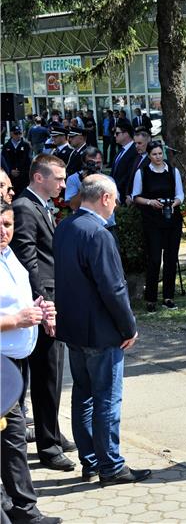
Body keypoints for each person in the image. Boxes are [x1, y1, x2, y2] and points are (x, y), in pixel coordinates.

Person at [54, 174, 151, 487]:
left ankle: (90, 460)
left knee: (83, 396)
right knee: (106, 399)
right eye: (116, 199)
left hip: (74, 330)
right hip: (102, 332)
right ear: (105, 198)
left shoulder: (66, 226)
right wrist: (129, 327)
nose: (117, 205)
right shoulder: (98, 233)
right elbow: (114, 288)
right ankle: (110, 466)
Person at [10, 154, 75, 472]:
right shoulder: (24, 207)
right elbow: (29, 260)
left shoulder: (39, 204)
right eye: (59, 178)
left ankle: (52, 431)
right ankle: (48, 447)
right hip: (42, 302)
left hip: (50, 297)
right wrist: (45, 304)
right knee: (46, 373)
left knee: (53, 373)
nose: (63, 184)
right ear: (39, 178)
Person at [1, 201, 63, 524]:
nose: (3, 232)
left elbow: (21, 300)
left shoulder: (9, 257)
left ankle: (17, 506)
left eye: (8, 225)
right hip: (1, 366)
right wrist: (18, 319)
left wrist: (39, 308)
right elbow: (9, 315)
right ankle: (24, 510)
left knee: (11, 440)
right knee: (12, 438)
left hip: (16, 363)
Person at [131, 141, 184, 313]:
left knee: (171, 258)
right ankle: (151, 298)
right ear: (148, 156)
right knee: (154, 259)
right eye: (154, 154)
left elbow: (180, 195)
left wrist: (174, 203)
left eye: (160, 153)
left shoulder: (172, 171)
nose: (158, 157)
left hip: (172, 219)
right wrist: (150, 202)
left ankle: (168, 297)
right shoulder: (143, 172)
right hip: (152, 220)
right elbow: (136, 196)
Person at [109, 121, 138, 202]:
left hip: (125, 196)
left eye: (117, 133)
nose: (115, 135)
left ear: (126, 134)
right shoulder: (121, 150)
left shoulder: (135, 151)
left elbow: (129, 175)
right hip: (115, 194)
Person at [2, 125, 33, 195]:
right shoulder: (6, 146)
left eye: (20, 133)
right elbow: (5, 161)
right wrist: (10, 170)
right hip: (11, 178)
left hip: (24, 177)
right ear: (11, 134)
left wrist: (21, 171)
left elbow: (28, 160)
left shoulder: (26, 145)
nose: (18, 135)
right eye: (16, 133)